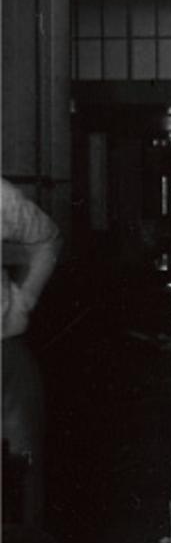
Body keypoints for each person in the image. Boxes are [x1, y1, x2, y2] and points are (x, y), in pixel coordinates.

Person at [3, 178, 63, 524]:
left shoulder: (0, 196)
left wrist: (25, 299)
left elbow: (47, 238)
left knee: (22, 469)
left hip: (5, 353)